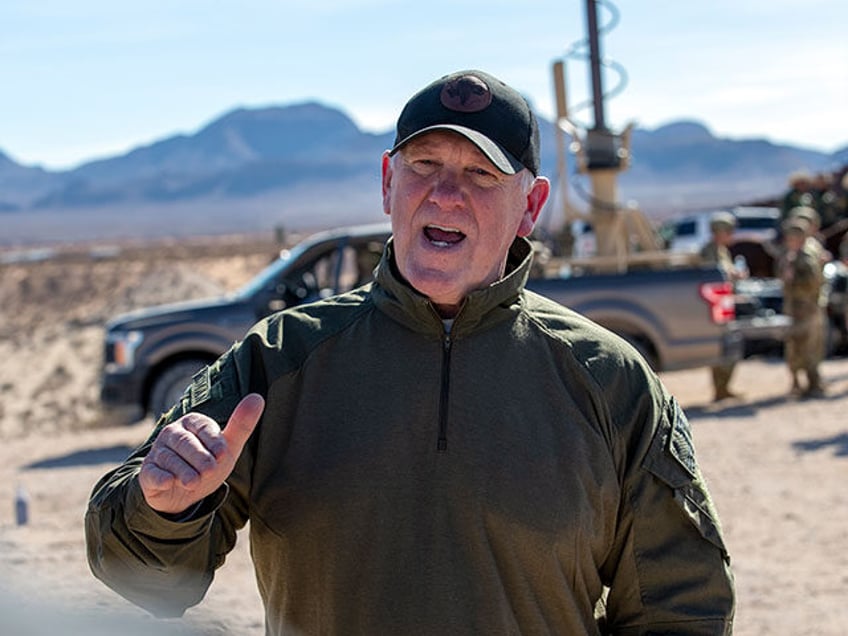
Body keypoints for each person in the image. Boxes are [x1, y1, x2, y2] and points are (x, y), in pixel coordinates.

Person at [85, 69, 735, 634]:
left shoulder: (610, 383)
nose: (446, 194)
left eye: (480, 173)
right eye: (425, 166)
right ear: (388, 183)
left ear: (531, 206)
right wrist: (165, 507)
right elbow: (140, 573)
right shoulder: (278, 363)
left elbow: (682, 608)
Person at [777, 217, 826, 397]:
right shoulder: (789, 256)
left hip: (807, 308)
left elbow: (813, 282)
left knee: (810, 346)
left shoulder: (806, 257)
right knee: (793, 346)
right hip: (793, 308)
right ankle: (796, 381)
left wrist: (793, 279)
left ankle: (813, 383)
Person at [699, 211, 747, 401]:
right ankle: (720, 388)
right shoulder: (709, 252)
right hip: (715, 307)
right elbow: (712, 277)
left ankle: (724, 388)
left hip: (723, 304)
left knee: (729, 346)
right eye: (728, 231)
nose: (731, 234)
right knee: (723, 346)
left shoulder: (721, 251)